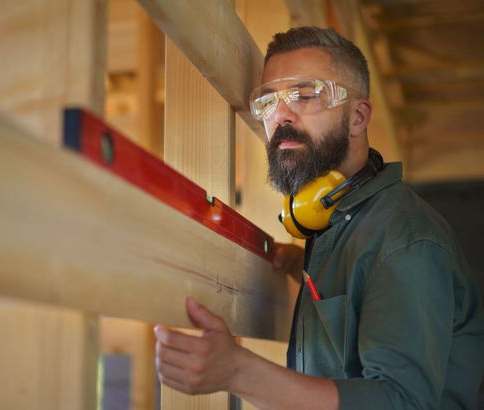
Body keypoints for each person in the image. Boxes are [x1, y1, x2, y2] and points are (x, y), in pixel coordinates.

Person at [153, 26, 484, 409]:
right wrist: (300, 267)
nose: (280, 114)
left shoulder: (404, 240)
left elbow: (402, 402)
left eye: (305, 95)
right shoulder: (339, 223)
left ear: (359, 117)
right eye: (268, 102)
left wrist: (236, 372)